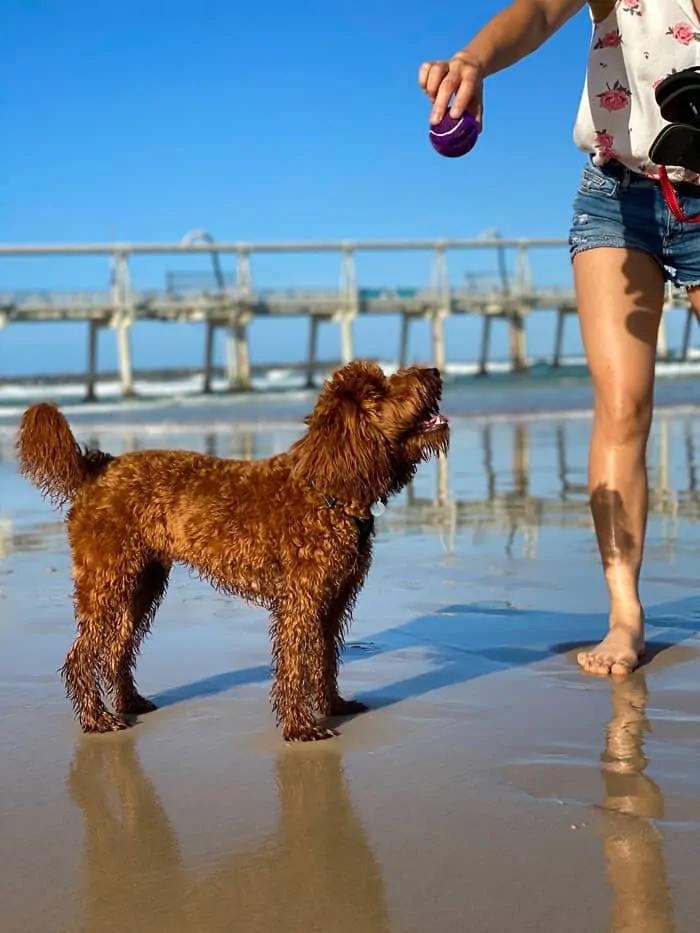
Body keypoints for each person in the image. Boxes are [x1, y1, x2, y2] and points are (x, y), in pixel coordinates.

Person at [419, 0, 700, 677]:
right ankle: (625, 615)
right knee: (624, 405)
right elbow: (542, 9)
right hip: (618, 194)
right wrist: (474, 60)